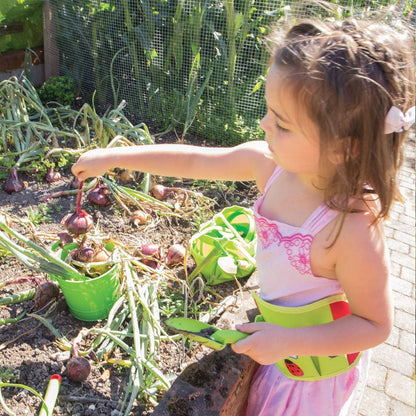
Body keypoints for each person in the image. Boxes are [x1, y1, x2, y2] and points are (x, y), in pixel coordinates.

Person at [72, 17, 415, 416]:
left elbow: (375, 325)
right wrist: (114, 156)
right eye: (269, 112)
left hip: (309, 378)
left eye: (282, 124)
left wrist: (288, 341)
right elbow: (194, 161)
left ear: (344, 148)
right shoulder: (269, 166)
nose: (263, 124)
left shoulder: (351, 227)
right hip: (278, 350)